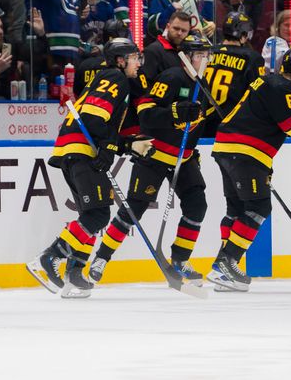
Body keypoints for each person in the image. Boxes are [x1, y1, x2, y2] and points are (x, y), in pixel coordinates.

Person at [87, 34, 213, 287]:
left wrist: (192, 148)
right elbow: (146, 114)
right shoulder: (172, 78)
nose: (205, 61)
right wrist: (175, 112)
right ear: (186, 58)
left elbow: (198, 125)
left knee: (197, 204)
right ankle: (101, 258)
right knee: (134, 210)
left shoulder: (203, 84)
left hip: (182, 157)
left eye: (207, 56)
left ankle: (179, 259)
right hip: (154, 153)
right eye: (200, 55)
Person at [27, 38, 148, 297]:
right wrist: (106, 148)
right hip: (82, 151)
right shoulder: (116, 78)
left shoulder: (106, 78)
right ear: (120, 59)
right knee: (98, 215)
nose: (138, 63)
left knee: (92, 212)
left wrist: (121, 146)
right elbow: (95, 116)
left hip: (74, 150)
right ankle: (49, 258)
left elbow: (102, 126)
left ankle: (74, 272)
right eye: (134, 57)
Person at [207, 48, 291, 291]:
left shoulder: (267, 81)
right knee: (258, 207)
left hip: (226, 147)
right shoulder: (283, 87)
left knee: (236, 209)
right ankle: (226, 262)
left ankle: (224, 273)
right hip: (246, 153)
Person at [203, 11, 265, 137]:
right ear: (243, 36)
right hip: (232, 126)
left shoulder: (206, 52)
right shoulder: (252, 58)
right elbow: (259, 94)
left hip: (202, 124)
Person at [142, 10, 192, 84]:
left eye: (184, 31)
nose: (179, 33)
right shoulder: (152, 51)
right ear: (168, 27)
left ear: (188, 33)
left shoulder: (186, 52)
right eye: (176, 28)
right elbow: (146, 86)